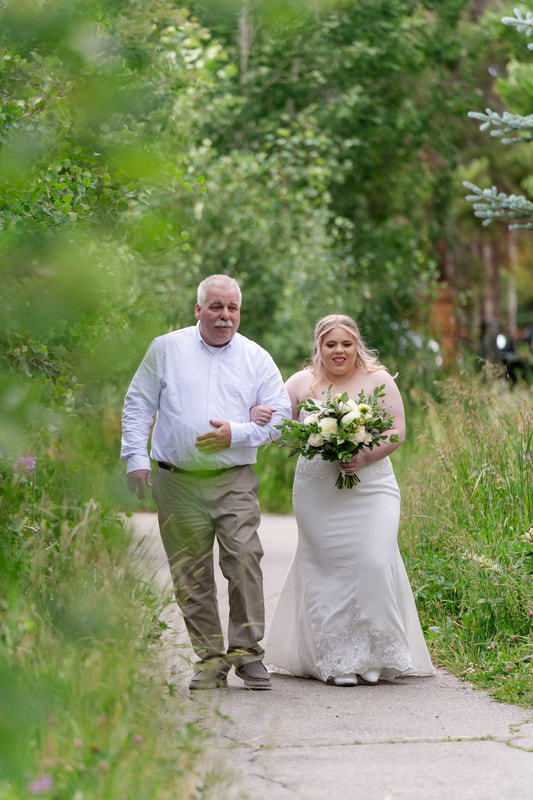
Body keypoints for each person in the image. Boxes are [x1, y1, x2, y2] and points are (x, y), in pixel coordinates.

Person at [121, 274, 291, 691]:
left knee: (245, 559)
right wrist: (135, 458)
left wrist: (238, 432)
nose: (225, 316)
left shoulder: (255, 358)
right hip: (176, 480)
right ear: (198, 309)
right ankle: (210, 659)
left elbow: (282, 416)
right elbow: (138, 403)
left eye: (232, 308)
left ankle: (247, 654)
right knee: (190, 572)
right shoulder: (166, 349)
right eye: (216, 307)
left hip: (232, 479)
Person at [259, 314, 435, 686]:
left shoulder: (378, 380)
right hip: (317, 490)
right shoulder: (302, 383)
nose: (338, 351)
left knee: (373, 560)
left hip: (373, 487)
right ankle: (336, 660)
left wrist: (364, 456)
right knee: (327, 567)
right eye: (330, 344)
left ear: (357, 346)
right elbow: (276, 427)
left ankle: (375, 653)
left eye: (346, 344)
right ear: (319, 348)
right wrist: (258, 414)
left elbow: (397, 431)